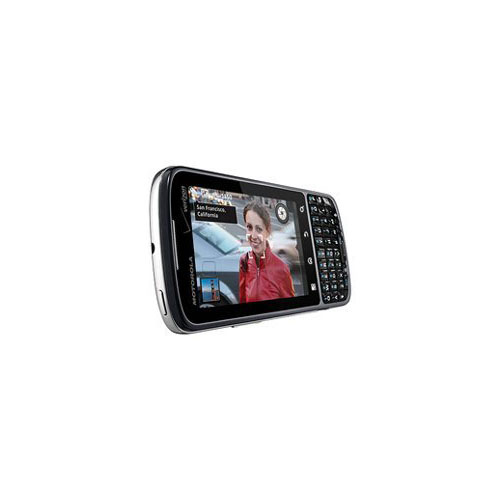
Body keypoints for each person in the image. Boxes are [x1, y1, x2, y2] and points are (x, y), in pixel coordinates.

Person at [239, 200, 295, 303]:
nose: (253, 236)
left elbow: (290, 308)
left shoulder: (282, 269)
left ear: (268, 231)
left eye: (259, 229)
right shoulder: (244, 260)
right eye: (249, 227)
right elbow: (243, 300)